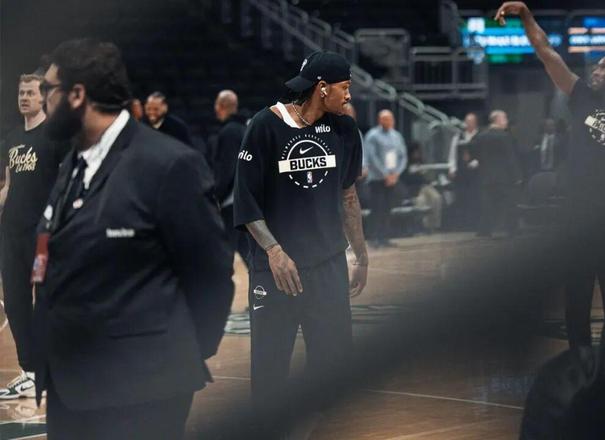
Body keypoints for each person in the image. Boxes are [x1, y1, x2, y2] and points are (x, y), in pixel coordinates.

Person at [33, 38, 234, 439]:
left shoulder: (167, 164)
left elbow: (211, 275)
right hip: (71, 384)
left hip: (142, 390)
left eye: (47, 89)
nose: (41, 100)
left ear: (77, 94)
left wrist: (174, 355)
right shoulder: (72, 162)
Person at [233, 50, 368, 437]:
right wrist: (274, 252)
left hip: (327, 266)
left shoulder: (345, 130)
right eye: (344, 87)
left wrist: (361, 256)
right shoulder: (264, 126)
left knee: (334, 371)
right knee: (270, 374)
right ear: (322, 88)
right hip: (276, 271)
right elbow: (246, 203)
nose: (349, 96)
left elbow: (349, 198)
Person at [496, 2, 605, 349]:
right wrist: (526, 15)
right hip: (578, 217)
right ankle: (579, 362)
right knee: (576, 300)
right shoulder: (582, 96)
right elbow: (547, 52)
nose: (597, 70)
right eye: (598, 65)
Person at [0, 73, 69, 400]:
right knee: (15, 303)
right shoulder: (12, 138)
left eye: (30, 92)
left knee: (45, 300)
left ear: (43, 97)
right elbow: (9, 187)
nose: (24, 98)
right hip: (10, 236)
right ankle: (29, 372)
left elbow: (66, 185)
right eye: (21, 93)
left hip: (41, 238)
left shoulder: (55, 136)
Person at [208, 89, 248, 263]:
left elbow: (228, 168)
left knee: (224, 249)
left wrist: (216, 196)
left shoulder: (229, 132)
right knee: (246, 248)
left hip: (231, 201)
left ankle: (220, 281)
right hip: (246, 199)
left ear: (222, 106)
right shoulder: (244, 128)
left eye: (216, 105)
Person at [469, 110, 522, 237]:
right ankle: (512, 229)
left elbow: (472, 150)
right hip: (504, 176)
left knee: (488, 204)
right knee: (510, 203)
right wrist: (517, 176)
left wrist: (480, 161)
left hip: (486, 176)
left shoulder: (480, 136)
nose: (506, 121)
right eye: (505, 118)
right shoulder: (505, 136)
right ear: (497, 120)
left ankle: (484, 230)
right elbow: (510, 158)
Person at [363, 109, 408, 247]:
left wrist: (396, 174)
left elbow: (403, 156)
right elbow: (372, 157)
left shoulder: (397, 136)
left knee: (388, 208)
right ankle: (374, 238)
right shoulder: (372, 136)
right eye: (385, 119)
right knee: (377, 208)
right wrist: (385, 174)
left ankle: (385, 237)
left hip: (392, 178)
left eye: (390, 119)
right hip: (377, 179)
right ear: (379, 120)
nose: (387, 121)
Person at [448, 112, 480, 229]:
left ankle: (474, 223)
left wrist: (475, 162)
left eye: (471, 122)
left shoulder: (480, 136)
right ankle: (462, 224)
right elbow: (452, 154)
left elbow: (484, 153)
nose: (468, 124)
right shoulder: (458, 137)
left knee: (474, 197)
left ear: (475, 123)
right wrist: (452, 168)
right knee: (461, 197)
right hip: (461, 172)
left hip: (476, 172)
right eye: (467, 122)